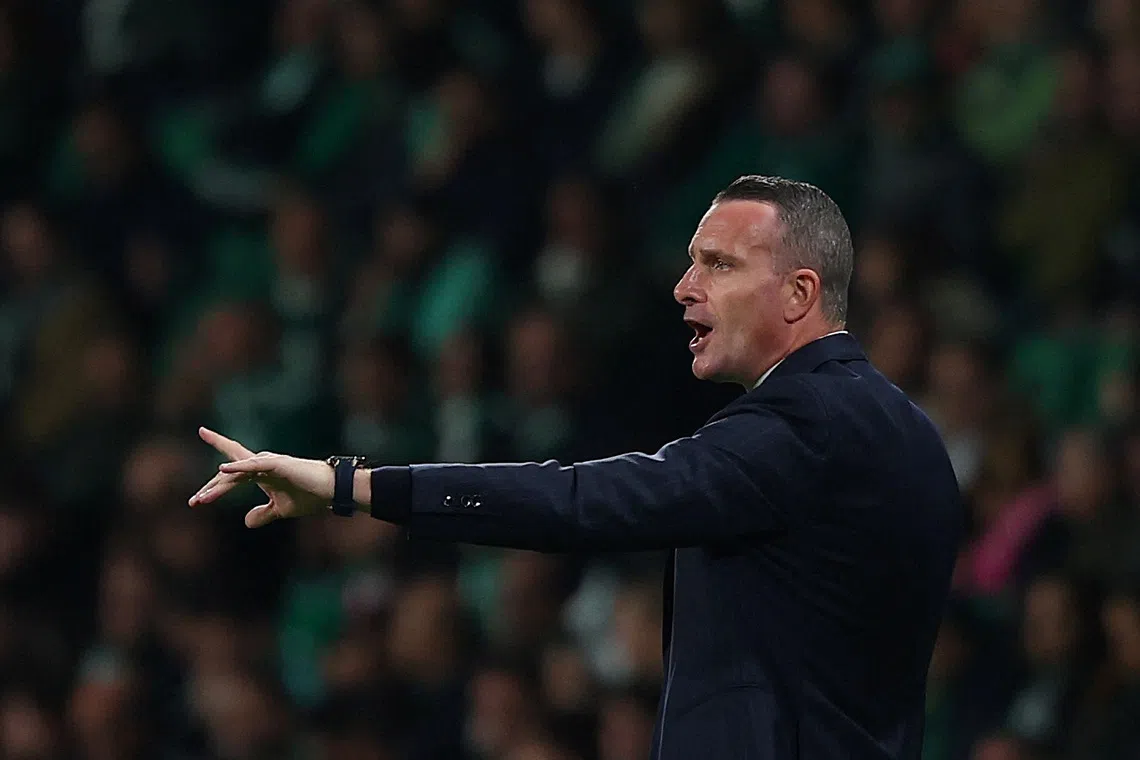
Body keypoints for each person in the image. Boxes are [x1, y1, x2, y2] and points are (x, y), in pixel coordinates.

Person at [189, 175, 963, 759]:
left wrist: (353, 485)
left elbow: (583, 500)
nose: (684, 288)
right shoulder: (906, 432)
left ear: (799, 292)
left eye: (719, 265)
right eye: (691, 263)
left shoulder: (802, 426)